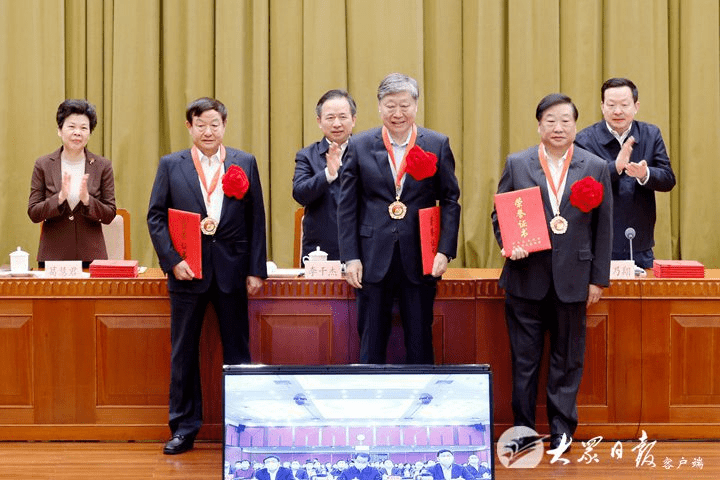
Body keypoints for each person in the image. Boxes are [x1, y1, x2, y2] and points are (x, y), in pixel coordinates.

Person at [491, 93, 612, 451]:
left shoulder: (595, 166)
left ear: (575, 125)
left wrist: (598, 279)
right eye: (550, 121)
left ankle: (562, 430)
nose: (558, 127)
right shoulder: (518, 163)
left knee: (567, 360)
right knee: (524, 361)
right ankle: (523, 432)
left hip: (574, 279)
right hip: (525, 276)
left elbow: (603, 227)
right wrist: (508, 242)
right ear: (539, 125)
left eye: (565, 121)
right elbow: (500, 214)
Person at [147, 97, 267, 454]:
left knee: (238, 352)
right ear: (190, 127)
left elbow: (256, 219)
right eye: (200, 125)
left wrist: (255, 269)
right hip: (187, 272)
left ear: (224, 126)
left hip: (233, 270)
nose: (208, 131)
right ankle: (184, 428)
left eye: (214, 124)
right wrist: (172, 261)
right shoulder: (171, 165)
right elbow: (156, 217)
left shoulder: (244, 162)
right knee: (184, 352)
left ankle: (242, 428)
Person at [338, 73, 461, 364]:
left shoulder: (436, 144)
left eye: (404, 106)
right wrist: (350, 257)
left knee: (420, 341)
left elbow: (450, 200)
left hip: (420, 257)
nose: (397, 113)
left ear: (415, 106)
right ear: (379, 107)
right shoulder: (359, 145)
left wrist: (444, 250)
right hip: (371, 258)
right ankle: (371, 393)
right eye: (390, 106)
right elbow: (347, 205)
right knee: (371, 342)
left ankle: (420, 393)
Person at [575, 77, 676, 268]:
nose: (618, 111)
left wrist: (645, 174)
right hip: (598, 243)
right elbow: (580, 187)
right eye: (611, 105)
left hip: (640, 243)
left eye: (624, 104)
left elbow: (668, 179)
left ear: (636, 106)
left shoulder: (650, 134)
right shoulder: (585, 139)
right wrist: (615, 167)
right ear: (602, 107)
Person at [28, 99, 116, 267]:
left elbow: (109, 214)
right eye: (71, 127)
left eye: (84, 128)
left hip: (92, 257)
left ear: (89, 133)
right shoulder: (43, 164)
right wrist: (59, 198)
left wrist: (88, 201)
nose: (77, 133)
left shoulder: (102, 166)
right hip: (53, 257)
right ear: (59, 130)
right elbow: (33, 213)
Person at [293, 90, 357, 263]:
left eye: (342, 117)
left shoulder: (367, 152)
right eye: (330, 118)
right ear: (319, 121)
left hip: (363, 248)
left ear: (353, 120)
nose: (337, 124)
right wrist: (328, 174)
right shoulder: (307, 155)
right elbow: (299, 194)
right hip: (321, 251)